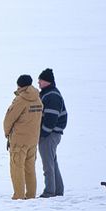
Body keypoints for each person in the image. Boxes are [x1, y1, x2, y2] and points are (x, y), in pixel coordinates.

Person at [3, 75, 44, 200]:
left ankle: (19, 195)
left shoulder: (21, 100)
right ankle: (31, 195)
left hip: (19, 141)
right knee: (30, 168)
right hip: (33, 140)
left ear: (20, 85)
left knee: (17, 168)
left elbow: (9, 119)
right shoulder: (38, 99)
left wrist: (7, 134)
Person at [37, 68, 67, 198]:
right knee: (52, 162)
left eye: (41, 80)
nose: (38, 82)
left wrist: (44, 133)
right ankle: (58, 190)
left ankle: (49, 192)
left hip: (50, 134)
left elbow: (51, 117)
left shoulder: (52, 95)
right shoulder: (47, 93)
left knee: (48, 164)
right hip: (52, 134)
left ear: (47, 81)